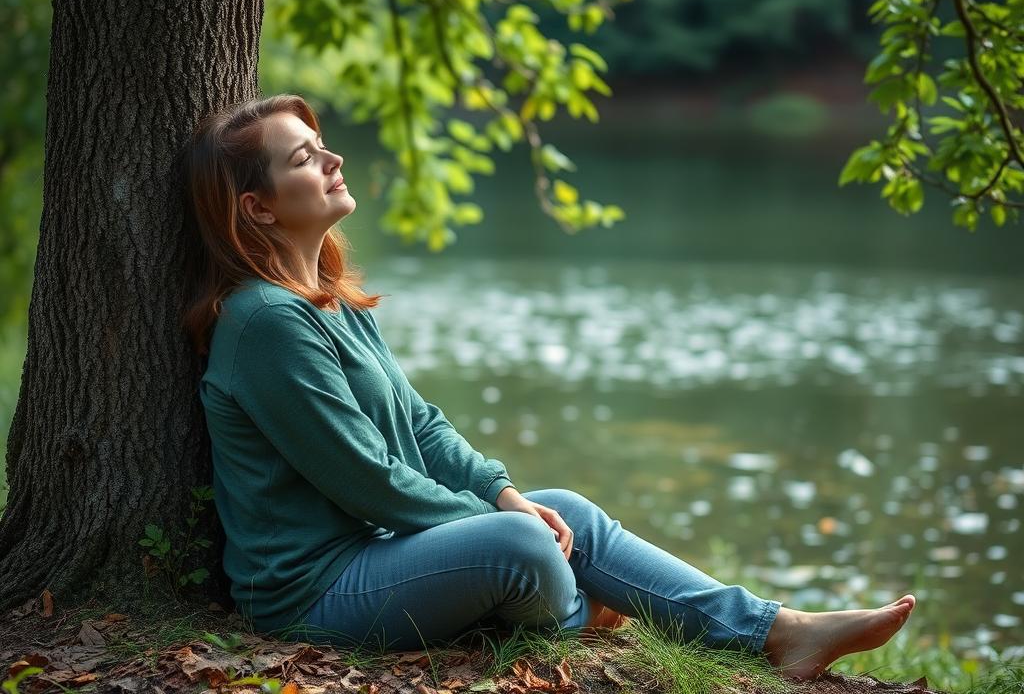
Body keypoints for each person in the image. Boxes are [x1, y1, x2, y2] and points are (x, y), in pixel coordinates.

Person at [179, 94, 916, 681]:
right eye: (306, 157)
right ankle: (571, 606)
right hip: (315, 591)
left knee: (559, 510)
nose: (334, 158)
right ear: (258, 207)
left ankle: (778, 631)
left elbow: (423, 427)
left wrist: (502, 493)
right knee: (522, 545)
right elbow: (365, 479)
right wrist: (503, 523)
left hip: (378, 553)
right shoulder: (266, 320)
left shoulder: (327, 299)